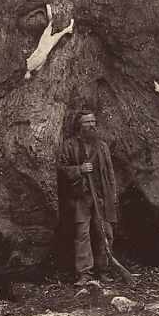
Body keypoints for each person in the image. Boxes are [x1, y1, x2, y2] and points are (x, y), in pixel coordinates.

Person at [59, 111, 118, 287]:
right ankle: (84, 273)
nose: (91, 125)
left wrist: (113, 196)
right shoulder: (69, 145)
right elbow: (61, 169)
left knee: (105, 233)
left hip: (101, 197)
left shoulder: (102, 146)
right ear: (79, 125)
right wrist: (79, 169)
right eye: (87, 122)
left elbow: (110, 173)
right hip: (80, 198)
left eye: (93, 121)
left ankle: (103, 271)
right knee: (82, 234)